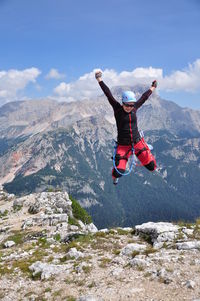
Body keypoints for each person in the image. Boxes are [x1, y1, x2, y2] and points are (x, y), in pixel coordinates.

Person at [95, 70, 157, 185]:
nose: (129, 107)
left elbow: (144, 97)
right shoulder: (117, 109)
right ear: (122, 103)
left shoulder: (134, 108)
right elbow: (108, 93)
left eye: (131, 105)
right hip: (123, 146)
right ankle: (115, 176)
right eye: (127, 105)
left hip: (137, 142)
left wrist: (152, 87)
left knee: (152, 167)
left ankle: (146, 147)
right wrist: (99, 79)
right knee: (119, 171)